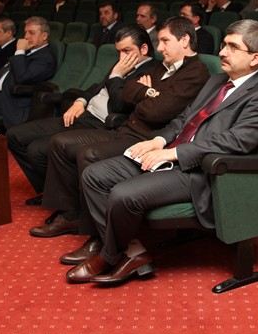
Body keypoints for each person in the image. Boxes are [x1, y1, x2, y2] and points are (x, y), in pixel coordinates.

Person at [67, 19, 258, 284]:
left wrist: (174, 153)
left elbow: (236, 142)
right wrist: (159, 140)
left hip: (200, 171)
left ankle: (110, 256)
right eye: (224, 45)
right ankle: (132, 253)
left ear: (255, 58)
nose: (222, 52)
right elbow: (183, 118)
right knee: (93, 175)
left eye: (233, 47)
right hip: (169, 153)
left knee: (123, 194)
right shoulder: (217, 81)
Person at [28, 17, 210, 243]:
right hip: (125, 129)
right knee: (61, 143)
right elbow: (128, 90)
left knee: (88, 154)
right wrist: (148, 93)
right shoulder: (162, 66)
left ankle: (95, 233)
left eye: (165, 41)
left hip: (146, 138)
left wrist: (145, 96)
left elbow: (157, 112)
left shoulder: (196, 72)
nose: (159, 48)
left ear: (184, 40)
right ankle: (71, 213)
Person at [6, 25, 158, 202]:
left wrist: (116, 75)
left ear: (144, 49)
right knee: (14, 135)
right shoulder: (123, 64)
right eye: (119, 52)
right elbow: (97, 87)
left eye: (127, 51)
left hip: (101, 124)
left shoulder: (150, 72)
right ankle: (51, 189)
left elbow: (120, 105)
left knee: (37, 150)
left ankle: (64, 198)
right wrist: (80, 101)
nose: (121, 57)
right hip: (84, 114)